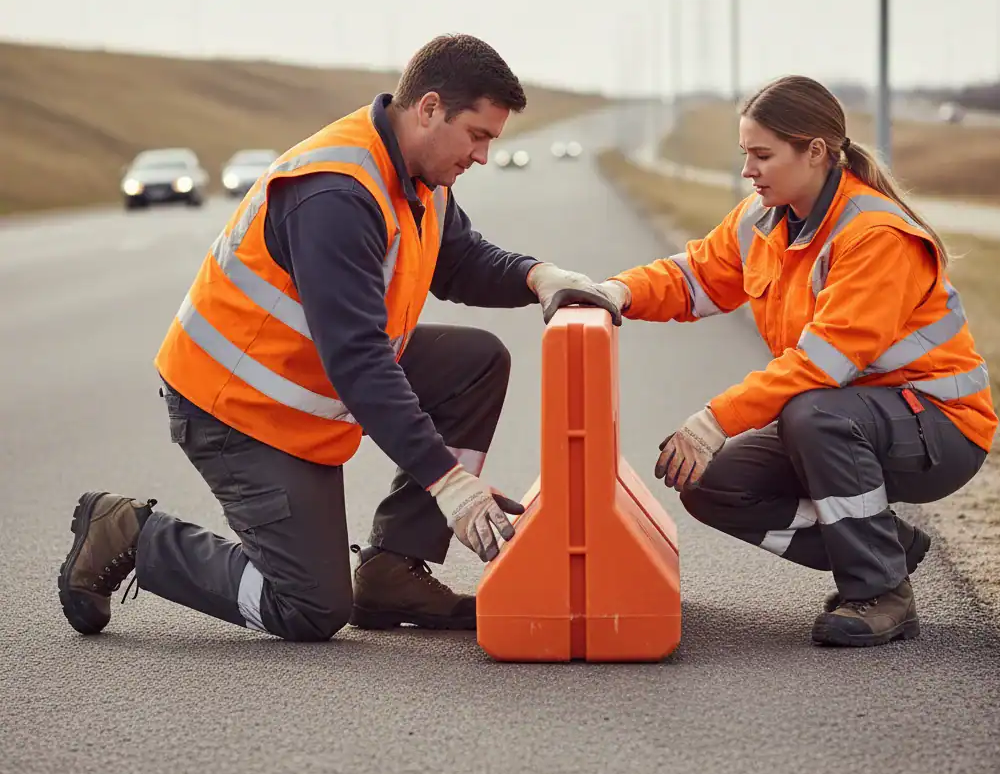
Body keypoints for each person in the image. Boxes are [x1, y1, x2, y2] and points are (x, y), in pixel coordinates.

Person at [57, 33, 619, 642]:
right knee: (308, 607)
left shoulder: (417, 173)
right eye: (478, 136)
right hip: (237, 408)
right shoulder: (337, 193)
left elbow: (458, 259)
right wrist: (449, 483)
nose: (482, 155)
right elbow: (357, 360)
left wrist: (540, 277)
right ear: (429, 109)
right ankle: (130, 534)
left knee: (474, 363)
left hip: (306, 384)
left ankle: (393, 570)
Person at [569, 74, 997, 648]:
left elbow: (822, 365)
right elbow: (693, 277)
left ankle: (880, 592)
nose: (748, 169)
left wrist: (711, 421)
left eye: (763, 155)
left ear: (815, 152)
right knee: (713, 483)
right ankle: (883, 546)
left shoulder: (875, 236)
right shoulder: (761, 220)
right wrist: (616, 291)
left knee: (813, 413)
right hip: (847, 416)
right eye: (746, 153)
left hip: (940, 428)